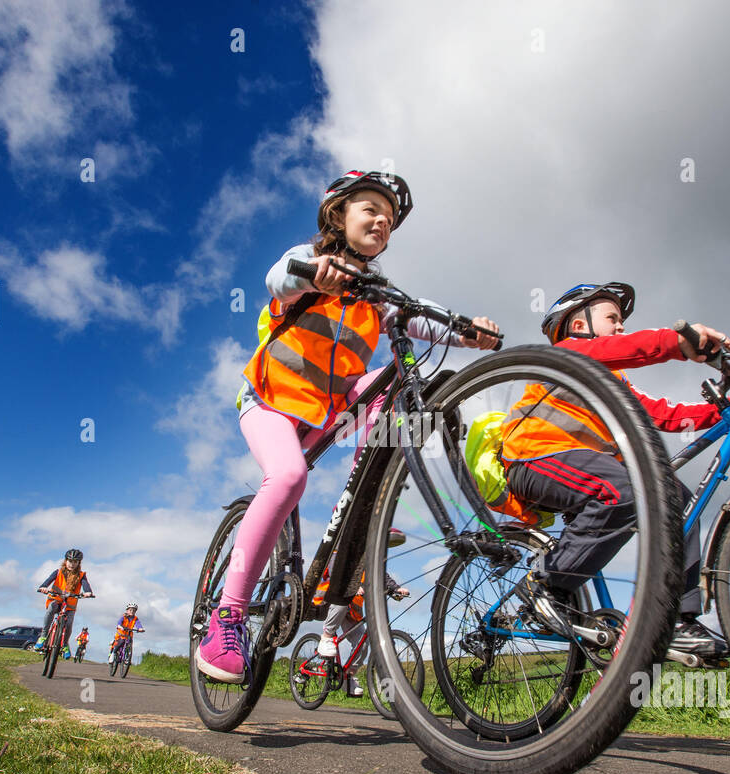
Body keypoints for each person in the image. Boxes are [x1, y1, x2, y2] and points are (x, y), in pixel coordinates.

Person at [195, 170, 501, 683]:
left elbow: (421, 320)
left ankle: (371, 496)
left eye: (390, 217)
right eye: (370, 209)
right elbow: (278, 278)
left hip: (331, 410)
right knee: (289, 478)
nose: (382, 220)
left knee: (405, 381)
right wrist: (314, 273)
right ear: (338, 214)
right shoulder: (313, 263)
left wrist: (468, 330)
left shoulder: (376, 295)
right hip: (269, 404)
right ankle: (226, 617)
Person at [502, 282, 730, 662]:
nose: (620, 327)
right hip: (534, 460)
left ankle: (678, 618)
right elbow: (619, 348)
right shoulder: (571, 354)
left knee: (677, 500)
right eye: (612, 318)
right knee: (625, 490)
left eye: (621, 321)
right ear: (579, 324)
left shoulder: (615, 380)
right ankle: (543, 585)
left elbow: (665, 415)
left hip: (586, 469)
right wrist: (675, 342)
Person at [314, 528, 410, 697]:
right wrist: (352, 584)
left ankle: (347, 676)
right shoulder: (340, 547)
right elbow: (335, 568)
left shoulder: (366, 556)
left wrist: (395, 589)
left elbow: (381, 575)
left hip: (353, 608)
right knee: (341, 605)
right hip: (333, 600)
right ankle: (327, 636)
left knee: (362, 642)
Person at [33, 549, 93, 652]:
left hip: (70, 604)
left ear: (79, 563)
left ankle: (65, 645)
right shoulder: (58, 572)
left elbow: (85, 585)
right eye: (70, 561)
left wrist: (88, 592)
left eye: (75, 562)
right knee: (51, 608)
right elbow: (48, 581)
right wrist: (43, 587)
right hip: (56, 599)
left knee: (69, 623)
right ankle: (43, 636)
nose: (72, 564)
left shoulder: (81, 575)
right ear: (66, 561)